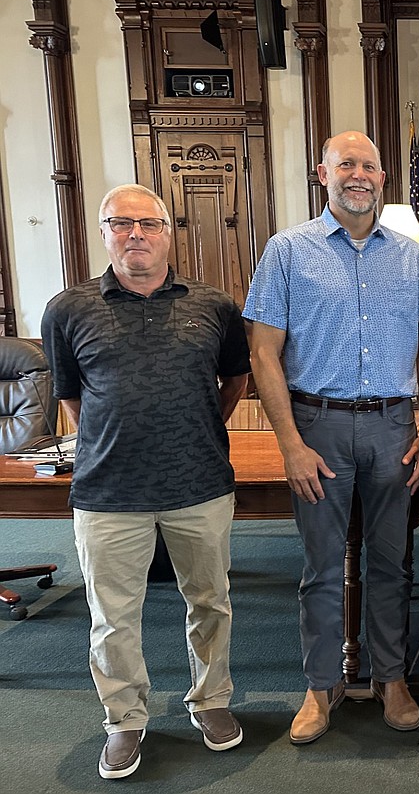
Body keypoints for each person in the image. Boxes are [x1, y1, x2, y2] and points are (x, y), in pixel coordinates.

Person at [244, 131, 419, 744]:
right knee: (321, 566)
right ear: (323, 173)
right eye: (347, 165)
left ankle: (391, 677)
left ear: (384, 178)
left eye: (370, 166)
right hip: (318, 427)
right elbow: (263, 351)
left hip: (392, 427)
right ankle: (319, 684)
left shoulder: (410, 257)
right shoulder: (287, 251)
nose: (359, 175)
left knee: (392, 562)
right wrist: (289, 443)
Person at [40, 184, 250, 779]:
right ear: (103, 232)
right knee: (112, 616)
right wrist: (121, 436)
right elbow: (73, 397)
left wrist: (191, 427)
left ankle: (210, 702)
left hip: (200, 483)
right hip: (109, 491)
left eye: (149, 224)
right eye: (121, 223)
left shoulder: (214, 305)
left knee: (210, 602)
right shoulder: (67, 309)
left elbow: (233, 382)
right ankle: (124, 720)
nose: (136, 234)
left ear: (168, 231)